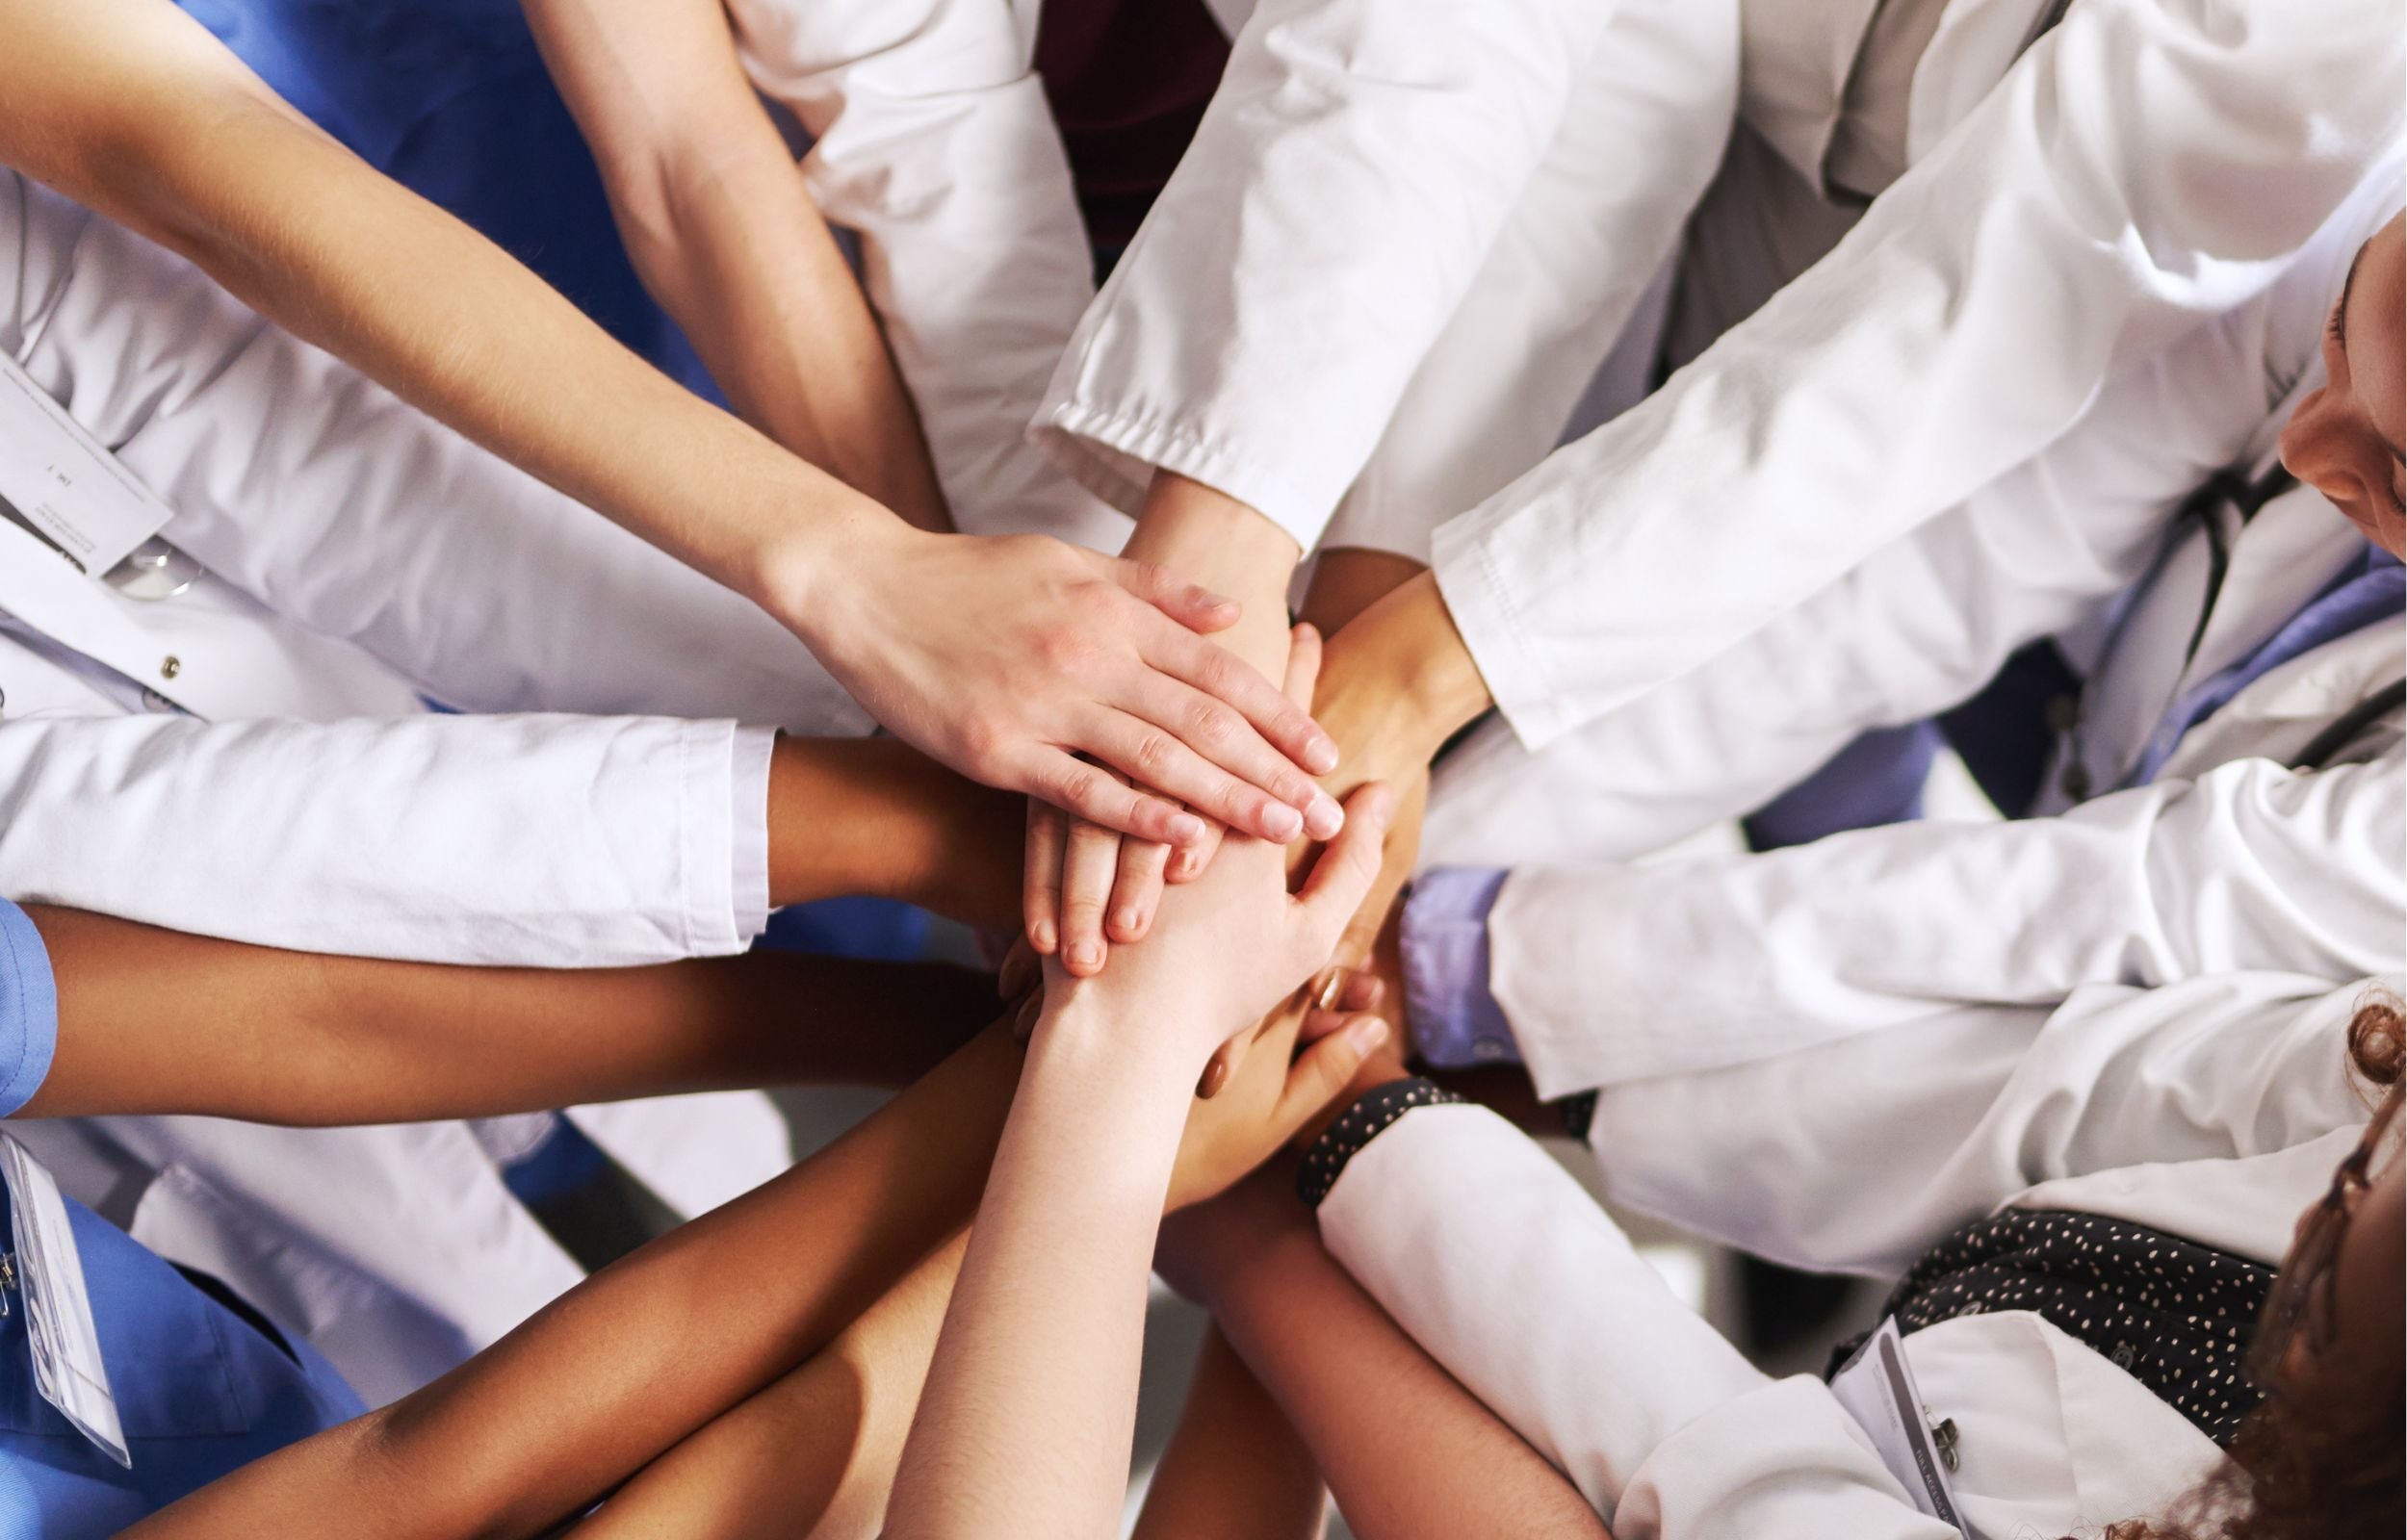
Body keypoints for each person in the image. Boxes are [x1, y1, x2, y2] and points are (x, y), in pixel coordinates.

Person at [1019, 0, 2405, 964]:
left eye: (2396, 486)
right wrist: (1259, 581)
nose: (2308, 444)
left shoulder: (2281, 168)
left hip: (1856, 287)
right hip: (1691, 127)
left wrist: (1404, 821)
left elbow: (1928, 550)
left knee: (1808, 747)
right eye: (2361, 326)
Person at [0, 0, 1347, 855]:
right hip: (271, 326)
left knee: (914, 723)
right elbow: (186, 162)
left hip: (623, 253)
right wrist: (856, 577)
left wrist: (925, 569)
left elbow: (687, 154)